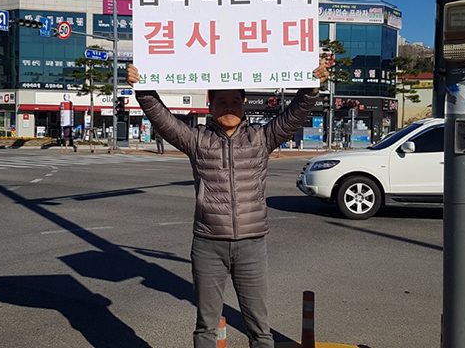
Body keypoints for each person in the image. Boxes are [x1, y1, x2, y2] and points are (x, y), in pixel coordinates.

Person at [127, 60, 329, 348]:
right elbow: (164, 121)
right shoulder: (197, 140)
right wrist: (143, 89)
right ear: (210, 106)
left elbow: (293, 117)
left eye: (235, 101)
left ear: (244, 104)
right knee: (206, 327)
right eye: (221, 101)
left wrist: (310, 88)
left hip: (252, 244)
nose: (229, 107)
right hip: (208, 245)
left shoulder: (261, 137)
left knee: (260, 329)